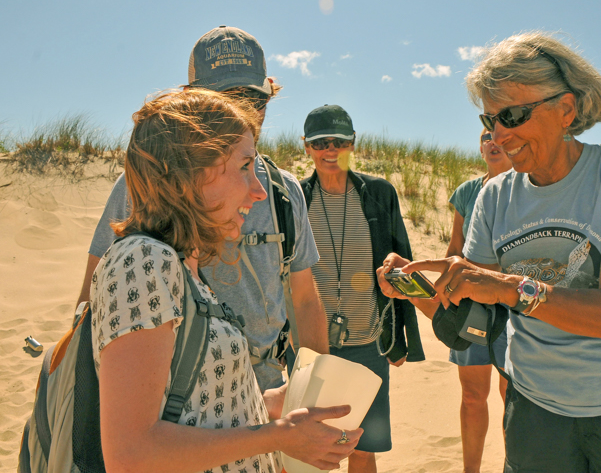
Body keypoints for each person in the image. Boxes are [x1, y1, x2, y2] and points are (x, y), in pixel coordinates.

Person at [377, 31, 601, 472]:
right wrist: (416, 292)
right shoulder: (494, 196)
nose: (498, 134)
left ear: (566, 109)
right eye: (487, 120)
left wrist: (507, 287)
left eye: (511, 115)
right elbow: (479, 323)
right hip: (536, 415)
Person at [91, 88, 362, 473]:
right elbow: (132, 454)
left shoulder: (184, 267)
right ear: (189, 172)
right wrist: (279, 436)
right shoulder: (144, 260)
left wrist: (267, 406)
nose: (258, 190)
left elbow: (195, 411)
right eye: (244, 166)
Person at [76, 26, 328, 391]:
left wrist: (315, 395)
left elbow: (304, 299)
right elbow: (92, 299)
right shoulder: (144, 185)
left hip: (268, 390)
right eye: (224, 102)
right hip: (174, 403)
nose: (240, 115)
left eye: (252, 100)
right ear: (190, 104)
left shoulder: (283, 191)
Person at [298, 104, 425, 473]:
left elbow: (404, 263)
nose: (330, 150)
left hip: (368, 344)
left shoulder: (379, 193)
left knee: (362, 448)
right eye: (320, 142)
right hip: (310, 348)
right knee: (311, 452)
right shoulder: (297, 198)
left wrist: (402, 341)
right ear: (306, 147)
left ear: (353, 144)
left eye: (339, 141)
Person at [445, 129, 512, 473]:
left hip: (514, 309)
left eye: (499, 135)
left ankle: (511, 466)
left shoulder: (527, 188)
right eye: (486, 135)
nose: (493, 141)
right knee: (472, 397)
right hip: (470, 307)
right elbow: (454, 251)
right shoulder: (468, 191)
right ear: (480, 145)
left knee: (511, 398)